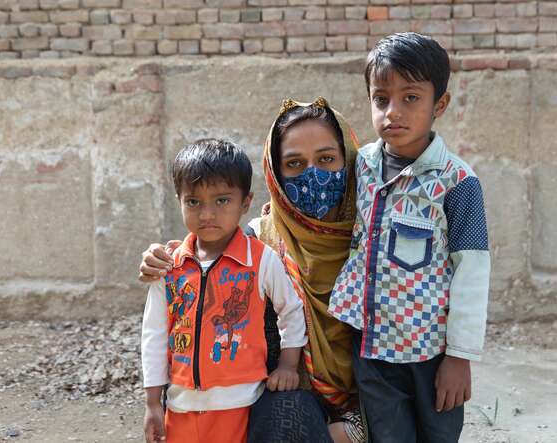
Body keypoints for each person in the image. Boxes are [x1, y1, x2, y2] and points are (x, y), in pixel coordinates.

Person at [139, 99, 366, 443]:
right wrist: (160, 256)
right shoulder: (258, 240)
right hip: (282, 395)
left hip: (371, 402)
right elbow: (204, 256)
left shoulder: (374, 239)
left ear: (348, 160)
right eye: (294, 163)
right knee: (286, 417)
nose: (312, 174)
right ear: (275, 173)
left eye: (326, 159)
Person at [328, 32, 491, 442]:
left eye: (410, 98)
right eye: (381, 99)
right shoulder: (361, 165)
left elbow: (471, 271)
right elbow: (325, 215)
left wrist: (460, 357)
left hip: (432, 354)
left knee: (437, 434)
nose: (392, 112)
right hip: (373, 349)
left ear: (440, 104)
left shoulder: (458, 182)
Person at [141, 139, 307, 443]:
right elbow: (153, 334)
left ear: (245, 203)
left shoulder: (259, 259)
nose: (207, 214)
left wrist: (288, 364)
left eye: (221, 201)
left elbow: (292, 309)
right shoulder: (170, 266)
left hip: (242, 404)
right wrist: (153, 402)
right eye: (194, 202)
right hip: (179, 406)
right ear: (178, 200)